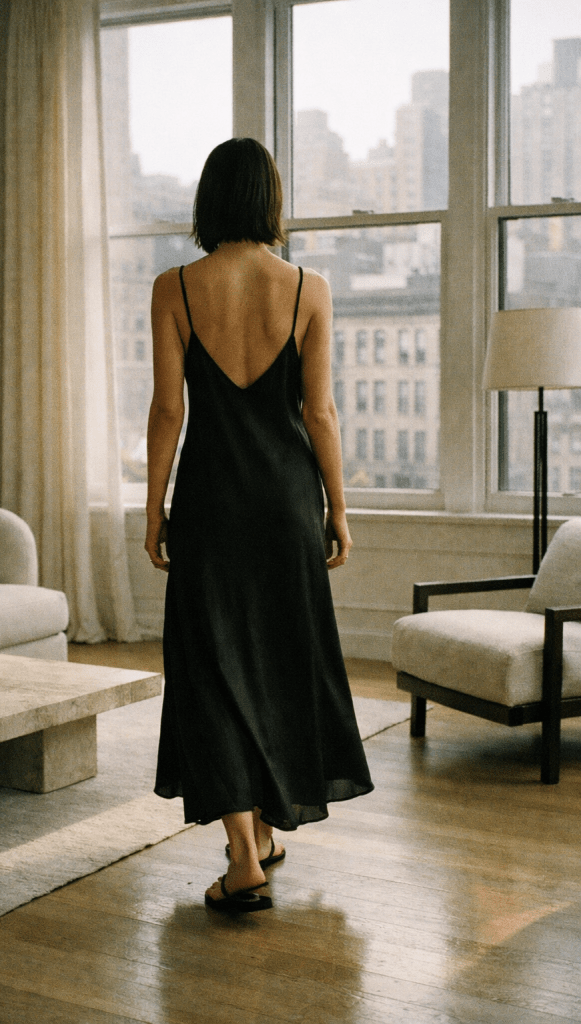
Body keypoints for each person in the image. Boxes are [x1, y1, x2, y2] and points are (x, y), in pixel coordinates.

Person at [145, 138, 373, 913]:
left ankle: (247, 852)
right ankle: (262, 836)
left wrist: (153, 506)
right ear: (270, 200)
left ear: (209, 201)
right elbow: (320, 412)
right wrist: (336, 508)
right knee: (279, 658)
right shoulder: (307, 285)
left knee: (209, 666)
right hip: (282, 501)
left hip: (210, 501)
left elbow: (168, 410)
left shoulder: (174, 286)